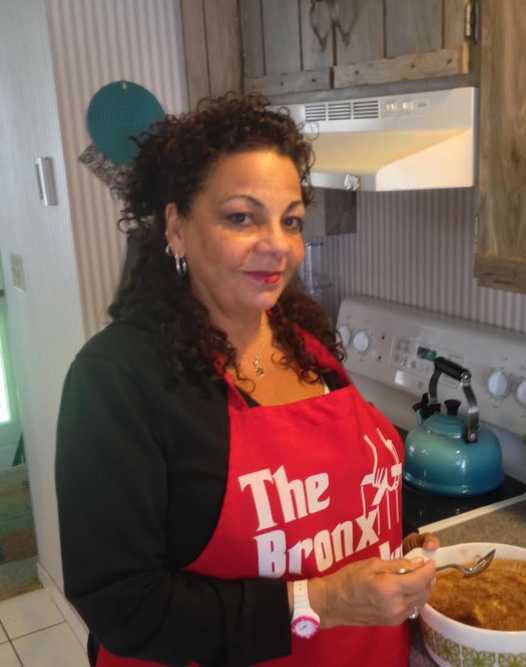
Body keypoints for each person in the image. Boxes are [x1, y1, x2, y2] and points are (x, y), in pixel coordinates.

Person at [55, 93, 438, 667]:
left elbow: (347, 493)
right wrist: (322, 601)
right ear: (177, 228)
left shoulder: (302, 342)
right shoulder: (116, 380)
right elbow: (121, 604)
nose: (277, 246)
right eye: (241, 216)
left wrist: (394, 547)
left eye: (290, 221)